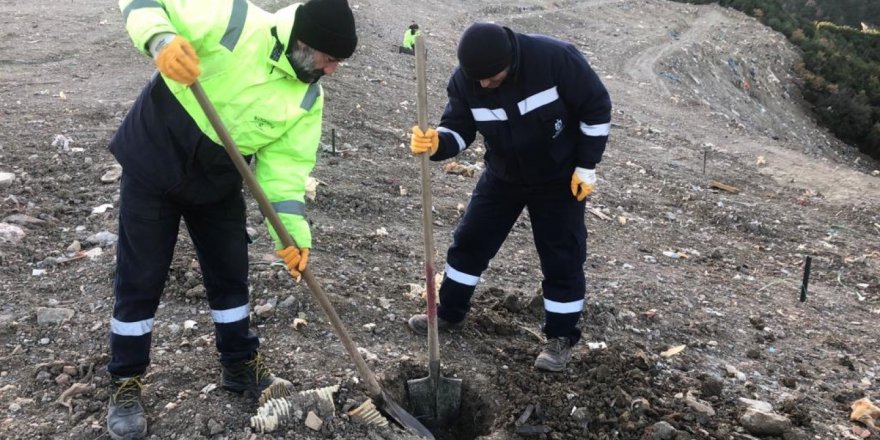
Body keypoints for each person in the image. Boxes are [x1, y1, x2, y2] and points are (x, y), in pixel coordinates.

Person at [107, 0, 357, 438]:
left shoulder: (307, 95)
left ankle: (240, 365)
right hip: (154, 156)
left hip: (219, 178)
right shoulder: (234, 20)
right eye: (330, 58)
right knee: (141, 276)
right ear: (304, 43)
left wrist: (294, 236)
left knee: (230, 274)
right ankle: (126, 380)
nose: (333, 70)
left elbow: (285, 173)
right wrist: (160, 39)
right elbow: (144, 3)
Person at [407, 22, 611, 372]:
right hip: (504, 175)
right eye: (479, 80)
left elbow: (596, 107)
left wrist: (586, 165)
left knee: (562, 255)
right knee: (470, 241)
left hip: (559, 177)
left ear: (511, 60)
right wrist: (437, 142)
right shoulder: (466, 81)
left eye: (493, 78)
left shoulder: (554, 59)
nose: (485, 85)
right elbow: (458, 129)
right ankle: (449, 314)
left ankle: (560, 338)